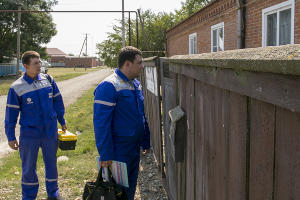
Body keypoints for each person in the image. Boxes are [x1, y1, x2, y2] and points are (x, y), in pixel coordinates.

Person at [4, 51, 66, 200]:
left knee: (51, 163)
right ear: (25, 66)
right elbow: (10, 115)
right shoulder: (16, 87)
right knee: (28, 168)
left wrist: (62, 120)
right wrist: (11, 137)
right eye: (35, 63)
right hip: (30, 134)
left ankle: (53, 194)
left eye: (40, 62)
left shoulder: (48, 80)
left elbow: (58, 101)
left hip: (50, 132)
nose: (40, 65)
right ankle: (29, 196)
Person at [93, 46, 150, 200]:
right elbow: (100, 123)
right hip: (118, 151)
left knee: (129, 189)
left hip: (133, 148)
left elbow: (140, 115)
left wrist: (145, 140)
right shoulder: (108, 86)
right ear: (127, 64)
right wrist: (105, 153)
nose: (142, 66)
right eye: (139, 63)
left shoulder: (135, 84)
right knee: (116, 191)